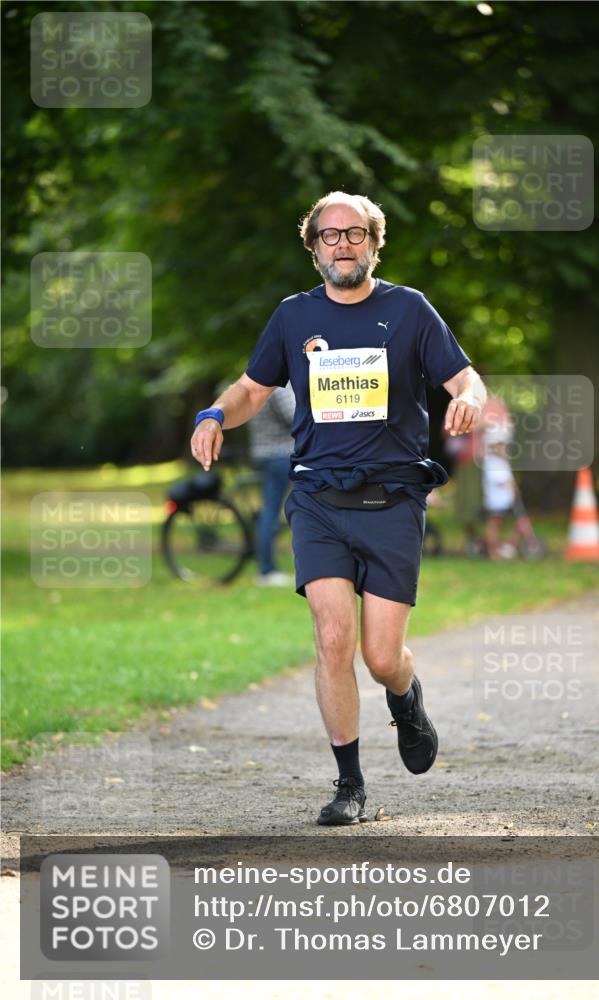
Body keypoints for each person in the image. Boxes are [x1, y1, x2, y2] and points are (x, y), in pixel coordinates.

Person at [191, 191, 486, 824]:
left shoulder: (409, 310)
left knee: (381, 657)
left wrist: (471, 400)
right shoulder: (293, 317)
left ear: (374, 243)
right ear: (314, 248)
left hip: (392, 498)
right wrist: (216, 414)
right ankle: (349, 784)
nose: (343, 244)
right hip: (320, 496)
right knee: (331, 638)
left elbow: (465, 378)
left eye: (355, 234)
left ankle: (406, 700)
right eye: (330, 236)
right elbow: (251, 388)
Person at [248, 382, 296, 586]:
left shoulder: (258, 381)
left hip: (262, 452)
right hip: (280, 453)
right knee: (276, 512)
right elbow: (295, 416)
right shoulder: (280, 386)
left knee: (270, 510)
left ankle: (266, 567)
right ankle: (267, 569)